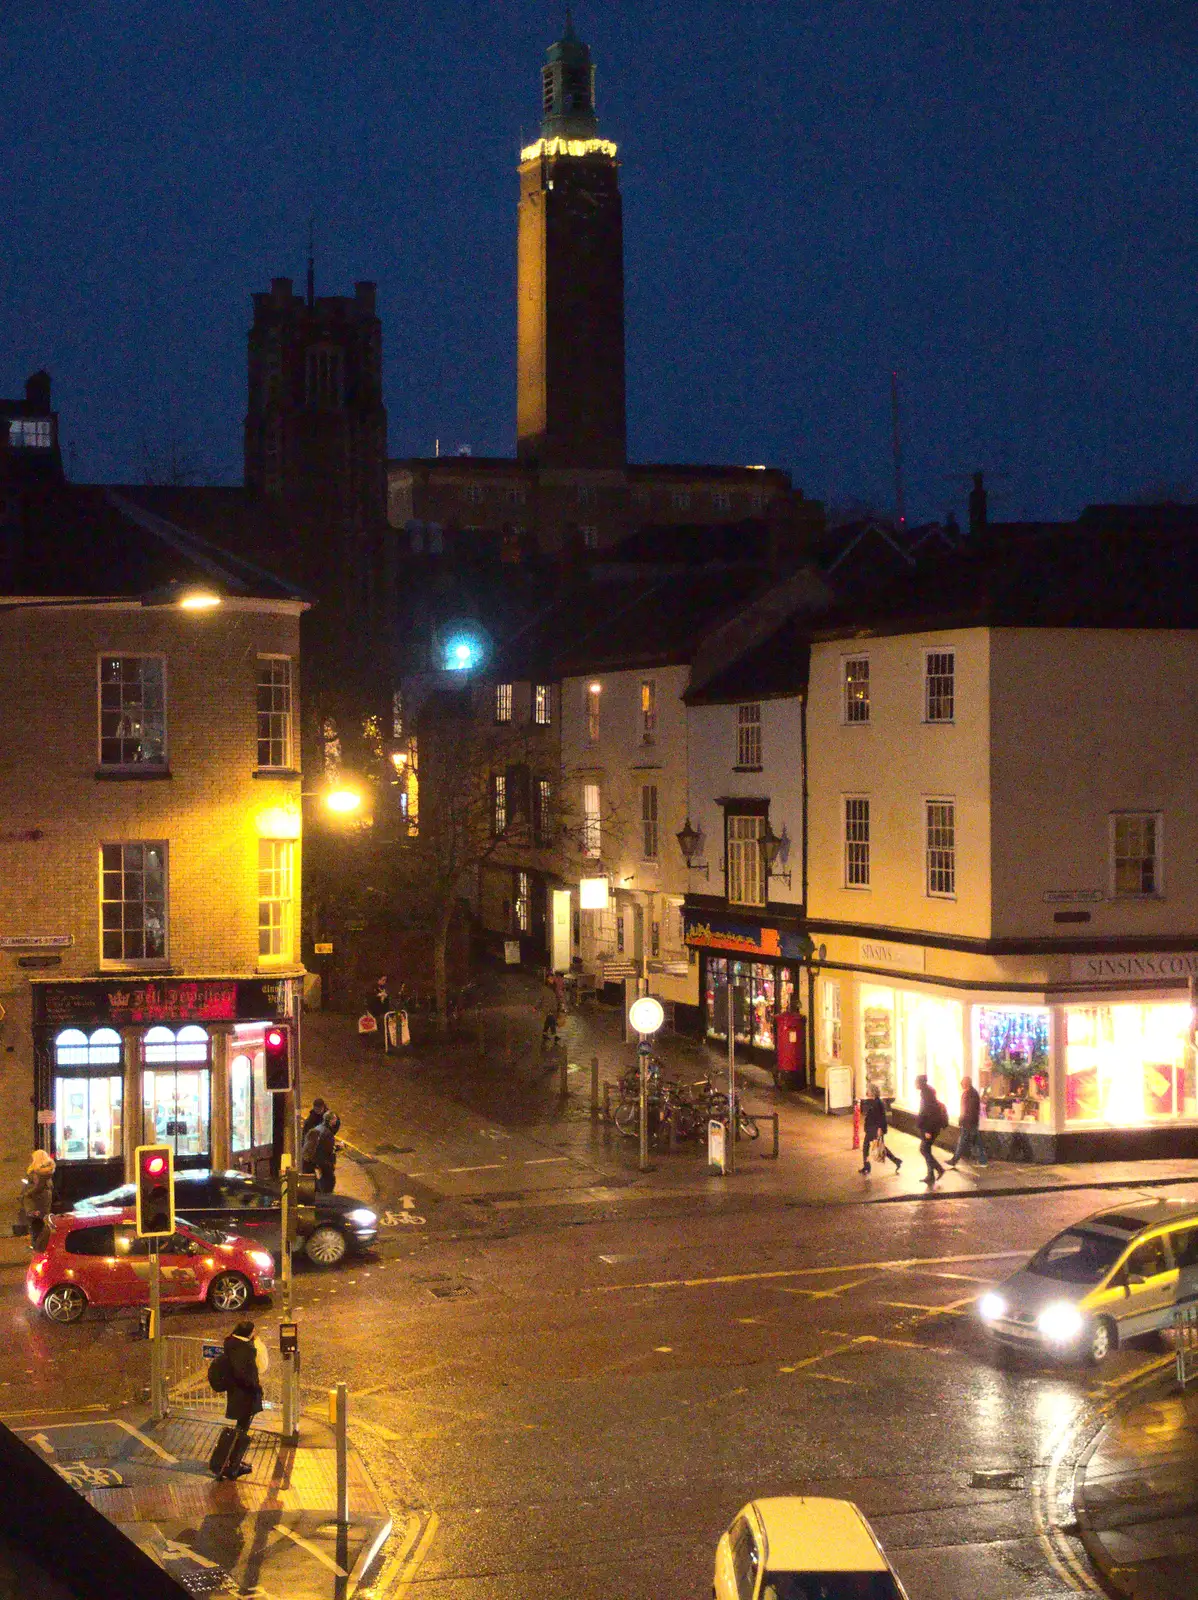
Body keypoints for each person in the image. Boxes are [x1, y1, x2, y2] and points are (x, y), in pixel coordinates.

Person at [213, 1319, 268, 1480]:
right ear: (249, 1333)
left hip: (236, 1394)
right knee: (241, 1432)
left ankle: (233, 1462)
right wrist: (257, 1389)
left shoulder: (232, 1345)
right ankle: (233, 1465)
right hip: (246, 1397)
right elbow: (251, 1374)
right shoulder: (246, 1350)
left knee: (241, 1429)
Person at [946, 1076, 988, 1168]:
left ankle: (955, 1160)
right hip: (969, 1122)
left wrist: (963, 1120)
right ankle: (982, 1160)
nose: (961, 1084)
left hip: (969, 1123)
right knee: (975, 1141)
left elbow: (969, 1110)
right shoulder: (970, 1093)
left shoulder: (971, 1094)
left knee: (964, 1142)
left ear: (967, 1083)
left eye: (963, 1083)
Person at [859, 1087, 902, 1175]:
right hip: (872, 1128)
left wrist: (879, 1129)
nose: (867, 1092)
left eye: (869, 1091)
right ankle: (896, 1161)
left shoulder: (879, 1103)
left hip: (875, 1129)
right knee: (879, 1147)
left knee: (869, 1147)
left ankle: (867, 1167)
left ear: (874, 1092)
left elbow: (881, 1118)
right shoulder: (875, 1101)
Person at [915, 1074, 948, 1185]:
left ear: (920, 1083)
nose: (915, 1084)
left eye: (916, 1082)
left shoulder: (926, 1094)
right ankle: (931, 1175)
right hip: (930, 1127)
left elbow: (929, 1113)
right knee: (926, 1150)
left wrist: (927, 1130)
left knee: (923, 1149)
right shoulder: (927, 1092)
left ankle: (939, 1169)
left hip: (930, 1128)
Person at [20, 1150, 55, 1250]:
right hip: (43, 1202)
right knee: (39, 1224)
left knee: (35, 1225)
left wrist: (26, 1193)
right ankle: (39, 1247)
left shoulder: (37, 1172)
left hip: (35, 1202)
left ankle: (37, 1248)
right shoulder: (47, 1172)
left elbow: (37, 1187)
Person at [315, 1110, 340, 1194]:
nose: (336, 1121)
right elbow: (329, 1150)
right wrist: (337, 1148)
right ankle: (327, 1197)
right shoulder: (328, 1133)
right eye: (335, 1119)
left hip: (318, 1160)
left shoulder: (318, 1128)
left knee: (322, 1181)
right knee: (329, 1181)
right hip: (324, 1162)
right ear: (331, 1120)